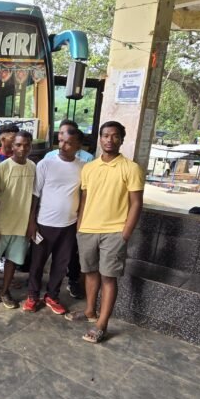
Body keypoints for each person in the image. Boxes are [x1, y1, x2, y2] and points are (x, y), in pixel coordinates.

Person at [65, 121, 144, 344]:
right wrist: (80, 226)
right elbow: (85, 199)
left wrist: (125, 234)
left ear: (122, 139)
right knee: (90, 273)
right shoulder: (89, 168)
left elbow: (136, 203)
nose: (110, 140)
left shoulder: (131, 168)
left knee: (108, 277)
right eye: (106, 135)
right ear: (100, 139)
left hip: (114, 232)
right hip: (87, 229)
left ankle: (101, 324)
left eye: (115, 136)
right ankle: (90, 311)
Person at [25, 127, 86, 315]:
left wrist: (80, 222)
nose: (63, 146)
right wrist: (32, 222)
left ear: (78, 146)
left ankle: (52, 296)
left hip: (69, 225)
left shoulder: (83, 167)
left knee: (61, 263)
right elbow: (35, 195)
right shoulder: (46, 164)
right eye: (61, 141)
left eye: (68, 143)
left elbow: (84, 195)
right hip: (44, 223)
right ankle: (32, 296)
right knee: (37, 263)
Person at [0, 130, 36, 311]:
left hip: (21, 225)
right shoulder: (3, 167)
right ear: (12, 146)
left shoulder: (33, 167)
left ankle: (4, 292)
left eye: (26, 145)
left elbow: (34, 197)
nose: (22, 148)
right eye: (18, 145)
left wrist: (31, 222)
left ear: (31, 147)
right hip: (1, 225)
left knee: (12, 261)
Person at [44, 120, 89, 299]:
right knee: (41, 257)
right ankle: (35, 291)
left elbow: (84, 191)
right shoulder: (49, 158)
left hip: (71, 217)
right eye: (61, 137)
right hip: (47, 218)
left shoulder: (87, 161)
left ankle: (69, 283)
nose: (63, 143)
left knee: (67, 257)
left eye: (68, 139)